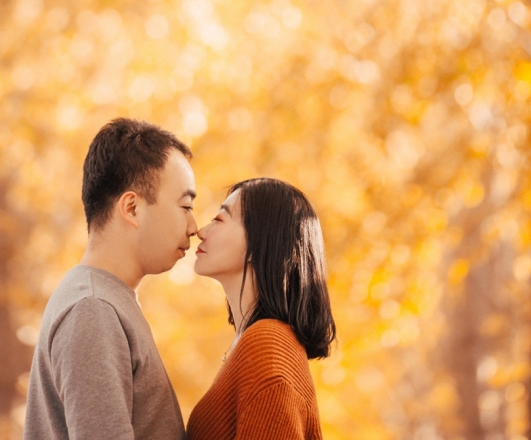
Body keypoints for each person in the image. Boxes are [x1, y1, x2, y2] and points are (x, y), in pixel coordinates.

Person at [24, 117, 198, 440]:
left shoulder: (106, 300)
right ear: (131, 208)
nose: (194, 227)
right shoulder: (92, 309)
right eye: (185, 206)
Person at [188, 178, 335, 440]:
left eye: (219, 219)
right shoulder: (254, 342)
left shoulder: (268, 345)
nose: (201, 231)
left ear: (259, 244)